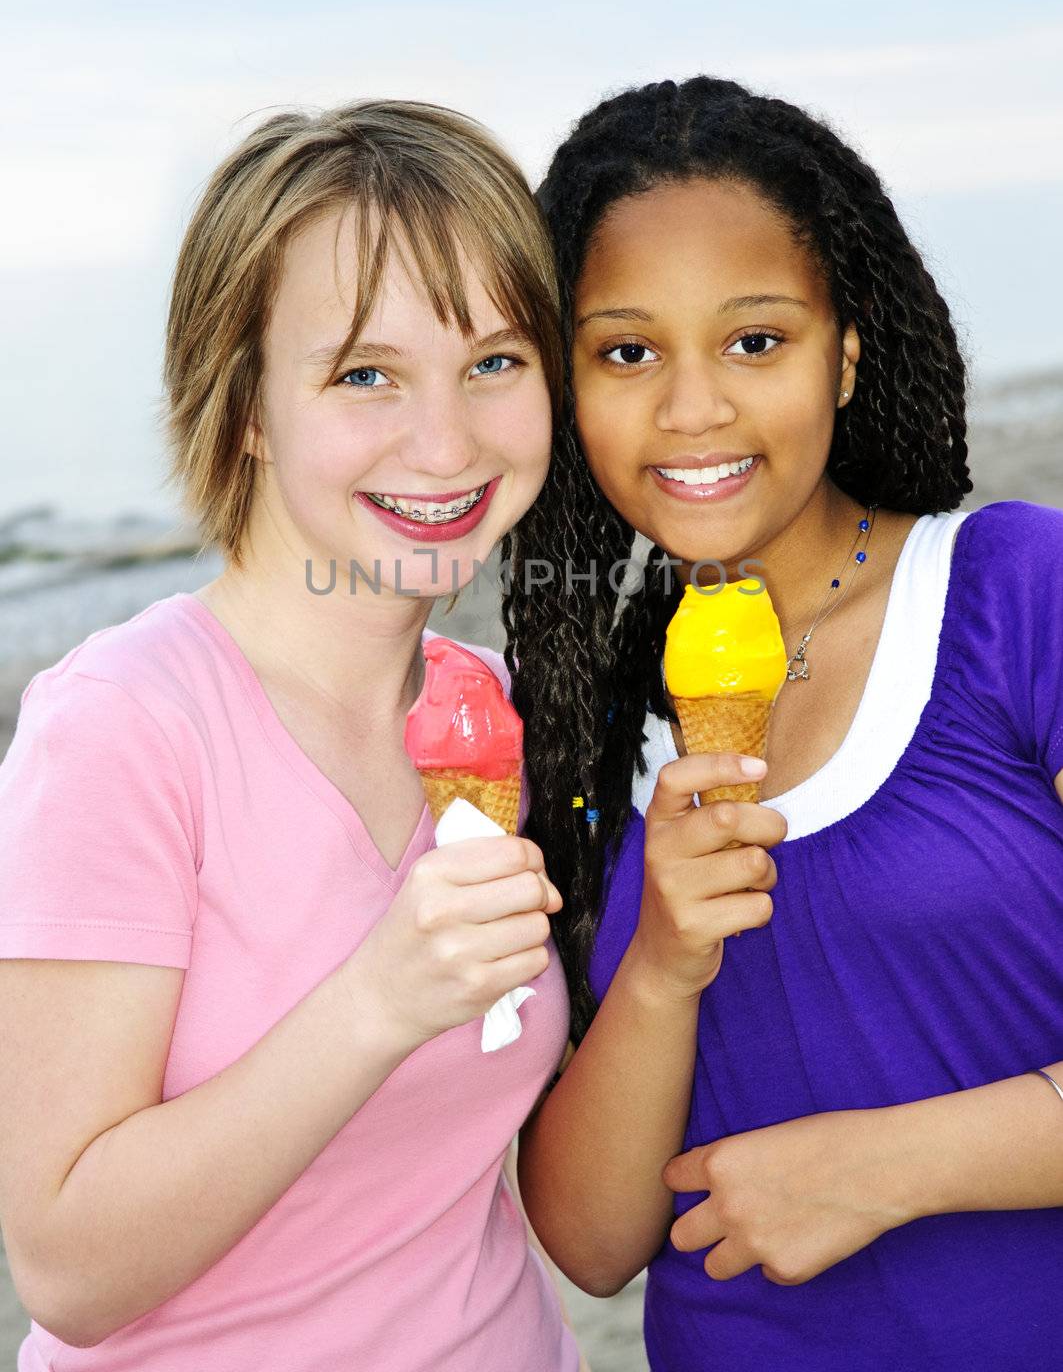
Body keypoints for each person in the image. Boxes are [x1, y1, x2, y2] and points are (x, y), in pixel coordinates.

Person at [0, 100, 582, 1371]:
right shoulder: (123, 730)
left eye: (493, 360)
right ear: (246, 403)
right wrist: (376, 1000)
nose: (447, 439)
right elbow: (66, 1265)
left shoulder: (502, 710)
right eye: (363, 374)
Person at [503, 76, 1063, 1370]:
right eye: (625, 352)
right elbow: (591, 1245)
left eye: (753, 341)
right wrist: (657, 968)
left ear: (844, 350)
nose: (690, 409)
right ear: (558, 386)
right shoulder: (579, 730)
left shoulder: (1011, 597)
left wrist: (881, 1168)